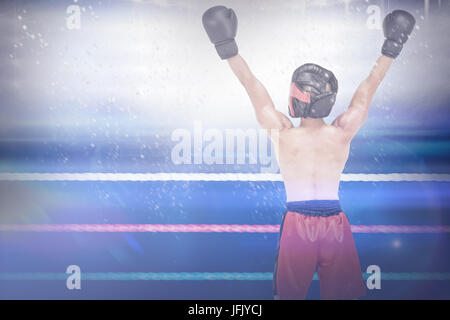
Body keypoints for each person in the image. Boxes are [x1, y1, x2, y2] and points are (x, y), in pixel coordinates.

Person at [202, 6, 415, 299]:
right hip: (335, 224)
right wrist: (391, 49)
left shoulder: (283, 133)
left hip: (297, 225)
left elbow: (251, 85)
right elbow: (369, 87)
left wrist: (227, 47)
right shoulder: (341, 132)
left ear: (298, 96)